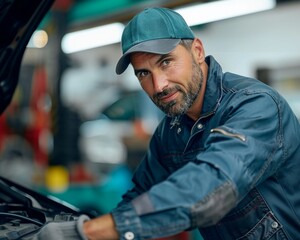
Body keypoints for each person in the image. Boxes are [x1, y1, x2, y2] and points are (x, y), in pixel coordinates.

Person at [35, 7, 300, 240]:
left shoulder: (256, 106)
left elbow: (212, 186)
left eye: (166, 62)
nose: (158, 85)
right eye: (144, 73)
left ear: (197, 51)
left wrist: (90, 233)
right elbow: (139, 196)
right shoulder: (170, 132)